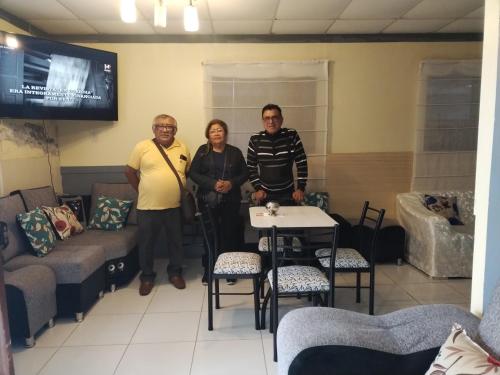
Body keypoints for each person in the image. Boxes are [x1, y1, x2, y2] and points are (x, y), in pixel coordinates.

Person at [125, 114, 191, 295]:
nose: (165, 129)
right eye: (160, 126)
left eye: (169, 126)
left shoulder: (183, 147)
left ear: (175, 130)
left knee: (176, 242)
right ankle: (147, 277)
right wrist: (142, 190)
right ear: (154, 129)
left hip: (174, 206)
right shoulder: (142, 146)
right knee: (146, 244)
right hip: (147, 207)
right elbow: (129, 171)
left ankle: (175, 273)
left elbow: (185, 171)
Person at [189, 119, 248, 285]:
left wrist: (231, 183)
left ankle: (229, 269)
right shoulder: (202, 151)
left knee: (229, 234)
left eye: (219, 130)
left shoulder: (235, 152)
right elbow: (193, 173)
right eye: (213, 130)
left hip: (231, 199)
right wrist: (212, 184)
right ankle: (209, 269)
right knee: (209, 235)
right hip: (207, 200)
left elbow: (245, 174)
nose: (216, 133)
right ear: (208, 134)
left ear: (225, 133)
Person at [247, 103, 308, 206]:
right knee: (266, 222)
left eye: (275, 117)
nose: (271, 121)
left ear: (281, 119)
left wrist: (300, 188)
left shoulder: (292, 135)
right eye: (267, 118)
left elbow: (301, 162)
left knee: (290, 221)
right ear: (263, 121)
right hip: (265, 194)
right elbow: (251, 167)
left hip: (289, 194)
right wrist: (257, 189)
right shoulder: (255, 139)